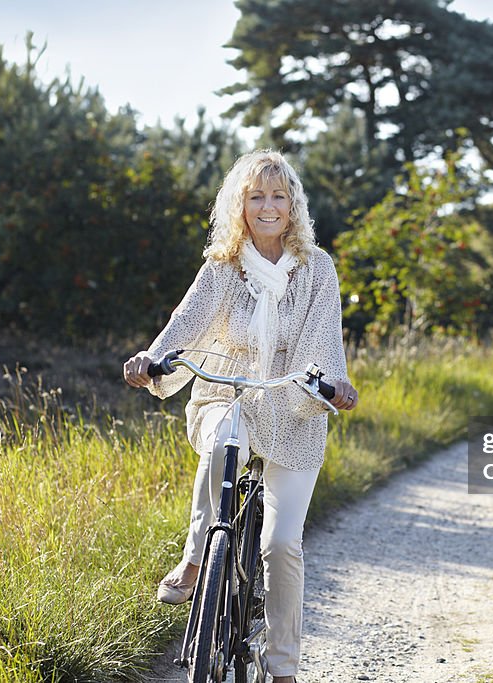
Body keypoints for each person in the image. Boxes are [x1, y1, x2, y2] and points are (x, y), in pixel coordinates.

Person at [122, 150, 358, 683]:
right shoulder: (223, 267)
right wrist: (152, 359)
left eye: (278, 196)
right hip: (229, 397)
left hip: (294, 413)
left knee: (280, 546)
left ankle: (283, 670)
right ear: (240, 205)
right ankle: (195, 557)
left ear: (293, 204)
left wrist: (331, 387)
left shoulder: (317, 268)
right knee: (225, 433)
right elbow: (187, 324)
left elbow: (321, 344)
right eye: (256, 197)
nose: (268, 206)